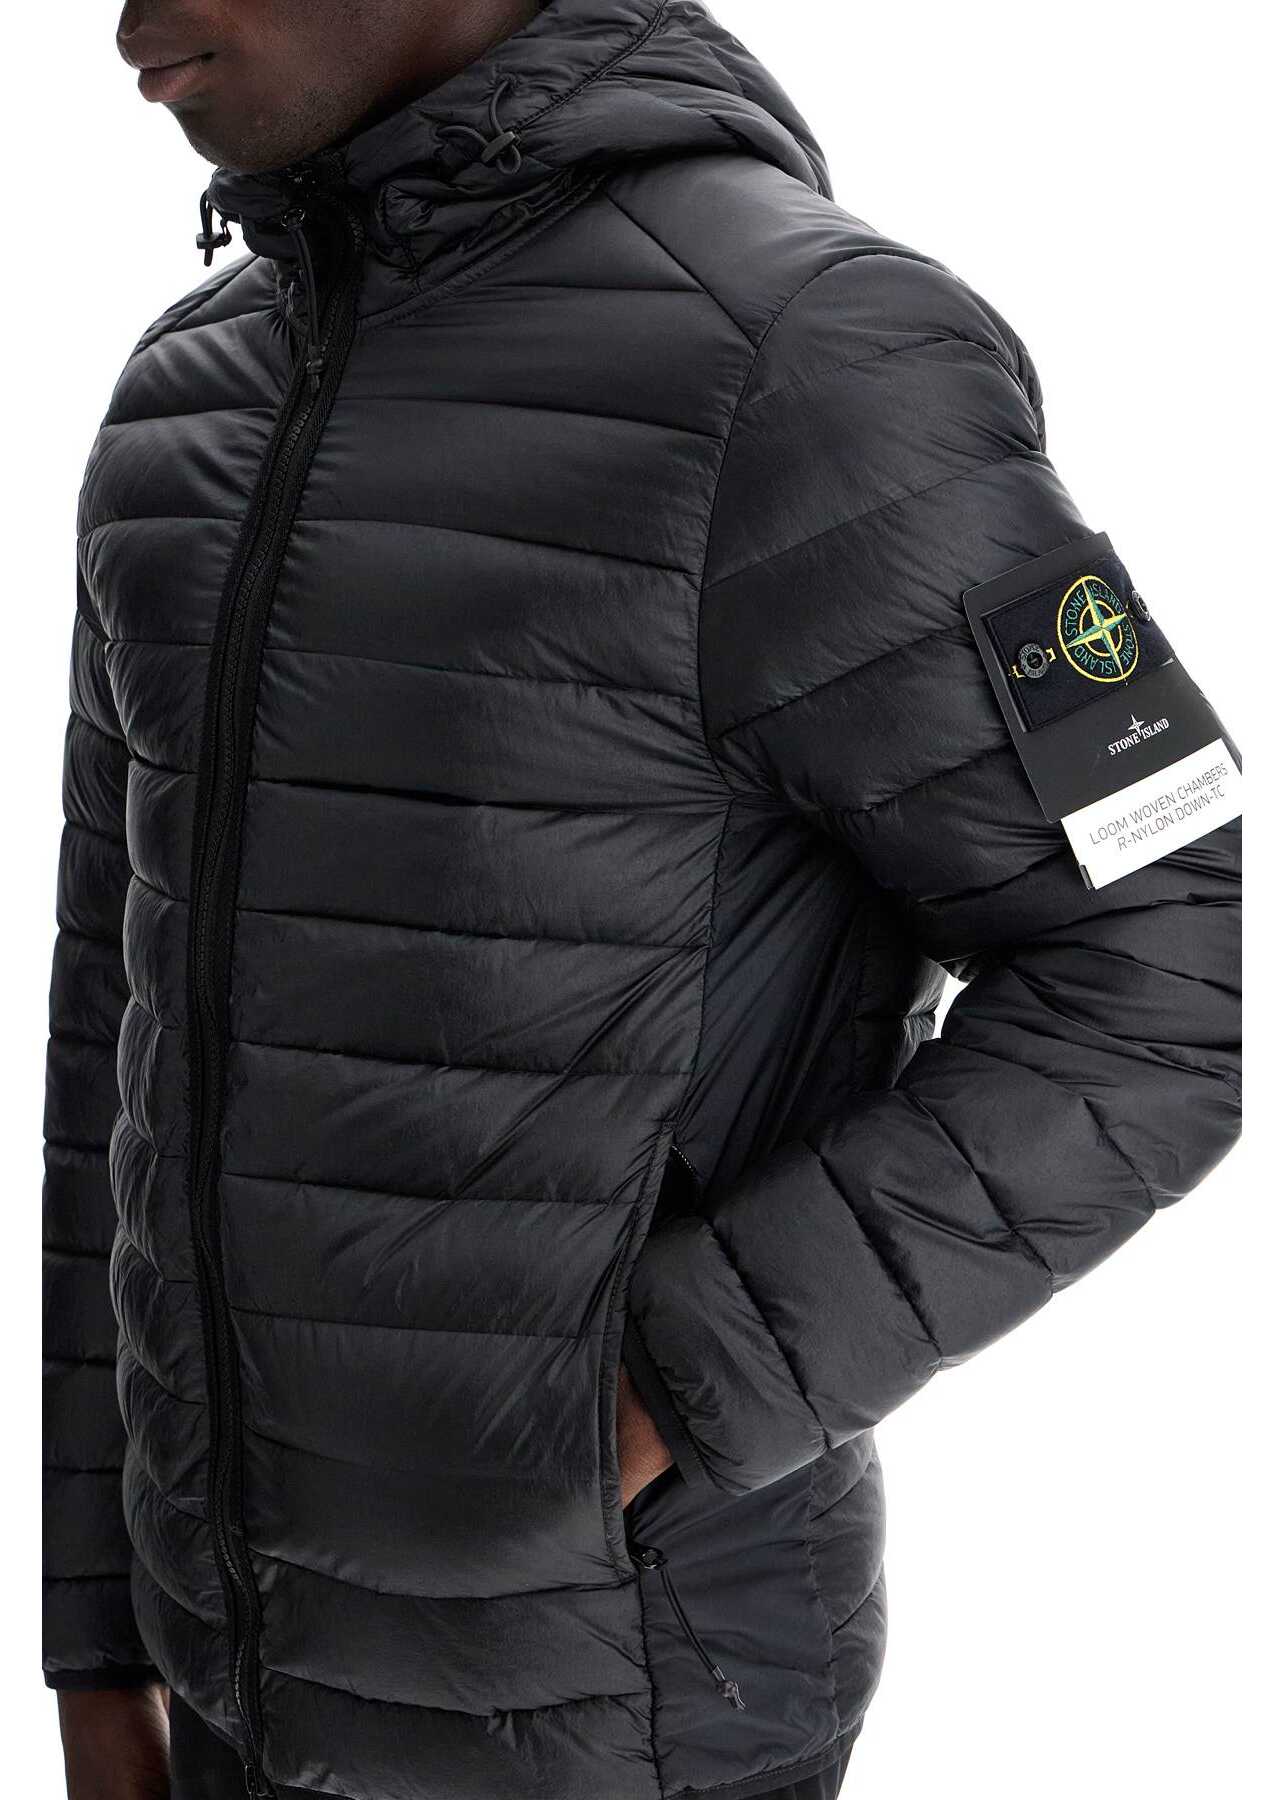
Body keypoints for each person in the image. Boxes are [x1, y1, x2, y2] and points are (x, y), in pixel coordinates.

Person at [43, 0, 1242, 1796]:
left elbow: (1175, 971)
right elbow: (110, 1032)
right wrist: (99, 1634)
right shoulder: (188, 397)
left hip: (619, 1707)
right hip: (227, 1686)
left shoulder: (804, 355)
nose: (131, 22)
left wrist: (663, 1394)